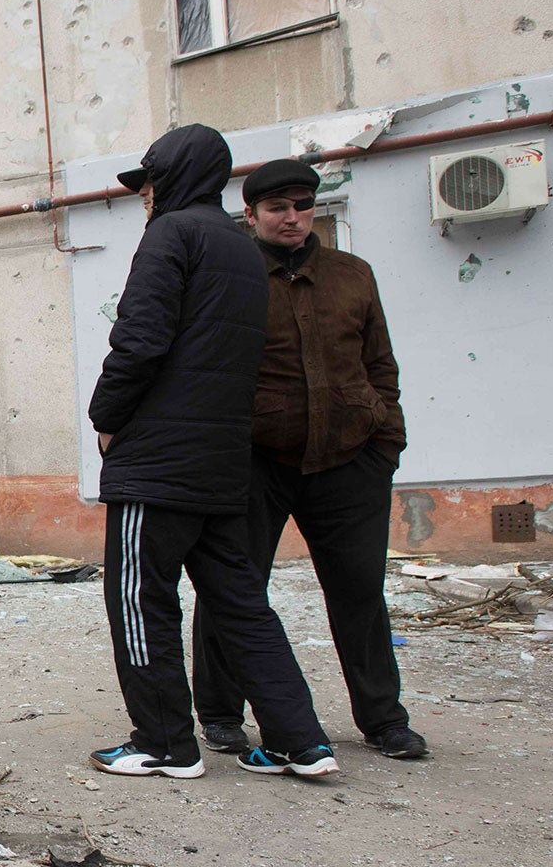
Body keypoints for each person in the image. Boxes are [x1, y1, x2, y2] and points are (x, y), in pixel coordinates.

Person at [88, 125, 339, 782]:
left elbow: (140, 339)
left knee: (141, 600)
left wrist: (106, 418)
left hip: (160, 461)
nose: (143, 196)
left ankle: (165, 743)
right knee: (240, 603)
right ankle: (299, 741)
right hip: (225, 460)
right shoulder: (237, 245)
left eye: (148, 182)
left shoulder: (171, 235)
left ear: (173, 176)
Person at [192, 159, 426, 760]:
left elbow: (381, 363)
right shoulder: (232, 275)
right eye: (277, 208)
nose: (292, 217)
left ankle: (382, 718)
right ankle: (220, 713)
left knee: (359, 590)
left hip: (350, 458)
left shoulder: (353, 275)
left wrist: (386, 441)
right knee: (235, 589)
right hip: (255, 461)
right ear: (252, 215)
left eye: (301, 204)